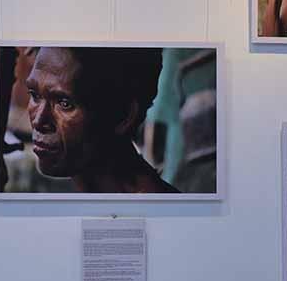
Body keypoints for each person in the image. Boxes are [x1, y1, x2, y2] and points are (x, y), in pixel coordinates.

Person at [24, 47, 179, 193]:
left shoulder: (162, 215)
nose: (38, 121)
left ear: (123, 115)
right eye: (34, 95)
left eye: (64, 104)